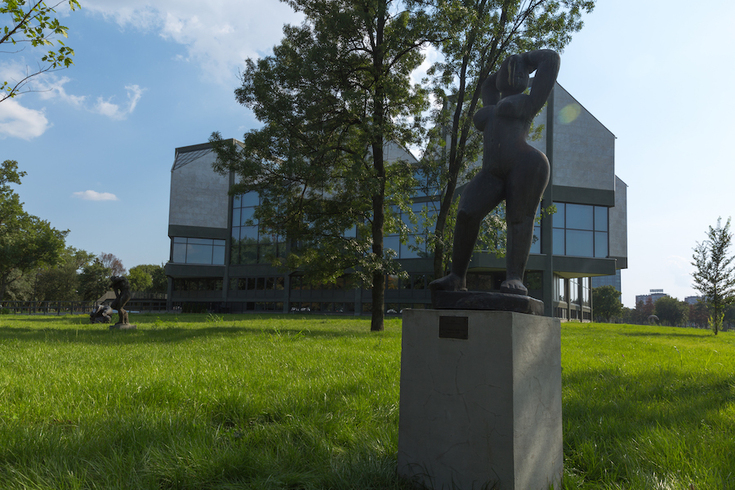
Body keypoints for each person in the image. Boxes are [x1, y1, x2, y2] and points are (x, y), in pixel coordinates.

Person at [430, 50, 560, 296]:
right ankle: (457, 277)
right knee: (466, 213)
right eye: (508, 70)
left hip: (525, 164)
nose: (513, 72)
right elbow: (487, 84)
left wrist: (524, 60)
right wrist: (507, 65)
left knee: (519, 218)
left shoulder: (529, 101)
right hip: (492, 171)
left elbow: (551, 59)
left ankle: (515, 277)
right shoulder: (490, 101)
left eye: (518, 71)